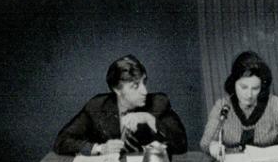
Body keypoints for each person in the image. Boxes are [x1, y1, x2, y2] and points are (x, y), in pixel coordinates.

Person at [54, 54, 189, 155]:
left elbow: (181, 145)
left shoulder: (159, 103)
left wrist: (150, 119)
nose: (144, 91)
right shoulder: (97, 106)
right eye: (135, 86)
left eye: (144, 82)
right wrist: (100, 148)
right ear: (117, 89)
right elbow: (62, 141)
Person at [200, 51, 278, 159]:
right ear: (233, 84)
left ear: (262, 87)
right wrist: (213, 146)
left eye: (255, 88)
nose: (249, 95)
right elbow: (206, 143)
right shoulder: (222, 106)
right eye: (243, 87)